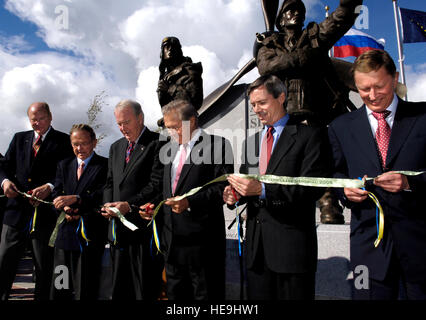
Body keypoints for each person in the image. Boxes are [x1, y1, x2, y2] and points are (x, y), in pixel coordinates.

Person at [328, 49, 426, 300]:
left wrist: (409, 182)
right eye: (363, 89)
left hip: (419, 247)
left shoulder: (422, 118)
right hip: (367, 251)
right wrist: (344, 190)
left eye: (379, 86)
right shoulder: (341, 127)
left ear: (394, 78)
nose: (372, 96)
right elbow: (336, 173)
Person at [223, 75, 330, 300]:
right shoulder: (251, 142)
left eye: (262, 102)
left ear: (281, 97)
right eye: (253, 104)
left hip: (292, 252)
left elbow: (312, 188)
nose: (256, 109)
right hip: (256, 252)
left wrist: (261, 190)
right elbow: (246, 184)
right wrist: (235, 194)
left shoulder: (310, 136)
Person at [255, 0, 363, 224]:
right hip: (282, 117)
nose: (295, 13)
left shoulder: (315, 36)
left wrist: (349, 4)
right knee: (277, 163)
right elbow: (266, 67)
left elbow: (340, 20)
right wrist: (301, 58)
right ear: (281, 18)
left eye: (299, 10)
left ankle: (328, 203)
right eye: (289, 10)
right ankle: (266, 202)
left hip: (314, 112)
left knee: (318, 161)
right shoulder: (270, 43)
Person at [140, 99, 233, 300]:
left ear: (191, 121)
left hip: (203, 244)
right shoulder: (168, 150)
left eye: (174, 127)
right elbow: (164, 189)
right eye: (168, 128)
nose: (170, 133)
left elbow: (222, 188)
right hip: (172, 242)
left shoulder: (217, 145)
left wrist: (190, 202)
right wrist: (153, 207)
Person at [0, 102, 74, 300]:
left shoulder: (64, 141)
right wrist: (5, 182)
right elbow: (4, 167)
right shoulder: (18, 139)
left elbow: (67, 174)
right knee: (3, 264)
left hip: (45, 217)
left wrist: (50, 187)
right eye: (33, 119)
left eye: (41, 118)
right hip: (15, 214)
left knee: (45, 268)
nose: (37, 123)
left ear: (50, 117)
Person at [101, 99, 164, 300]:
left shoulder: (159, 143)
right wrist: (107, 204)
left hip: (143, 230)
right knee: (119, 288)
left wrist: (130, 205)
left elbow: (156, 184)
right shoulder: (115, 147)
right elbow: (110, 182)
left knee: (144, 288)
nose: (122, 128)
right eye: (118, 123)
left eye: (126, 122)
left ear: (140, 118)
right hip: (118, 231)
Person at [50, 124, 108, 300]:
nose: (79, 148)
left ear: (94, 142)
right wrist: (63, 206)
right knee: (60, 286)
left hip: (89, 236)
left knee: (85, 288)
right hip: (64, 236)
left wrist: (77, 200)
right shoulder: (64, 165)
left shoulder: (105, 166)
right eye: (75, 144)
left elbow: (102, 195)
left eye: (84, 143)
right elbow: (56, 192)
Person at [157, 37, 203, 127]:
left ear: (179, 50)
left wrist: (170, 90)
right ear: (162, 52)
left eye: (173, 46)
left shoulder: (189, 69)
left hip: (187, 123)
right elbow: (164, 106)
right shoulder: (164, 77)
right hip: (172, 123)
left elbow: (195, 100)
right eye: (167, 47)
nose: (170, 49)